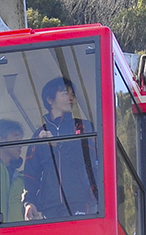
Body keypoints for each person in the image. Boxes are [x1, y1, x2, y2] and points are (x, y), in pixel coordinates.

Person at [21, 77, 99, 220]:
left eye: (72, 95)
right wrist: (29, 202)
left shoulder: (83, 127)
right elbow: (30, 174)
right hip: (48, 205)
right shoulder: (39, 134)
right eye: (65, 93)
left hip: (81, 201)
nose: (71, 98)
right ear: (50, 100)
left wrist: (58, 145)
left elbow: (89, 159)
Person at [0, 119, 27, 222]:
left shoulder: (19, 176)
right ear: (1, 139)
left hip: (14, 233)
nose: (21, 144)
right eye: (16, 138)